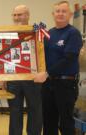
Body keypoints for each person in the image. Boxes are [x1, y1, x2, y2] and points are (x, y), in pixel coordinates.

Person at [34, 1, 83, 135]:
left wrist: (47, 72)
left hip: (66, 84)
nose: (60, 14)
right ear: (53, 14)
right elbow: (40, 56)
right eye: (58, 11)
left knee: (66, 123)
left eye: (64, 11)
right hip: (48, 84)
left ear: (70, 14)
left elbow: (69, 58)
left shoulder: (73, 33)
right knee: (48, 121)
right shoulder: (48, 33)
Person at [6, 5, 42, 135]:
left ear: (27, 15)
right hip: (13, 78)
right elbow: (3, 56)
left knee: (35, 110)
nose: (16, 18)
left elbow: (42, 54)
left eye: (19, 14)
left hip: (32, 78)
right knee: (14, 112)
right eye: (14, 15)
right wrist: (2, 78)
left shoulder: (37, 32)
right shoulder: (8, 33)